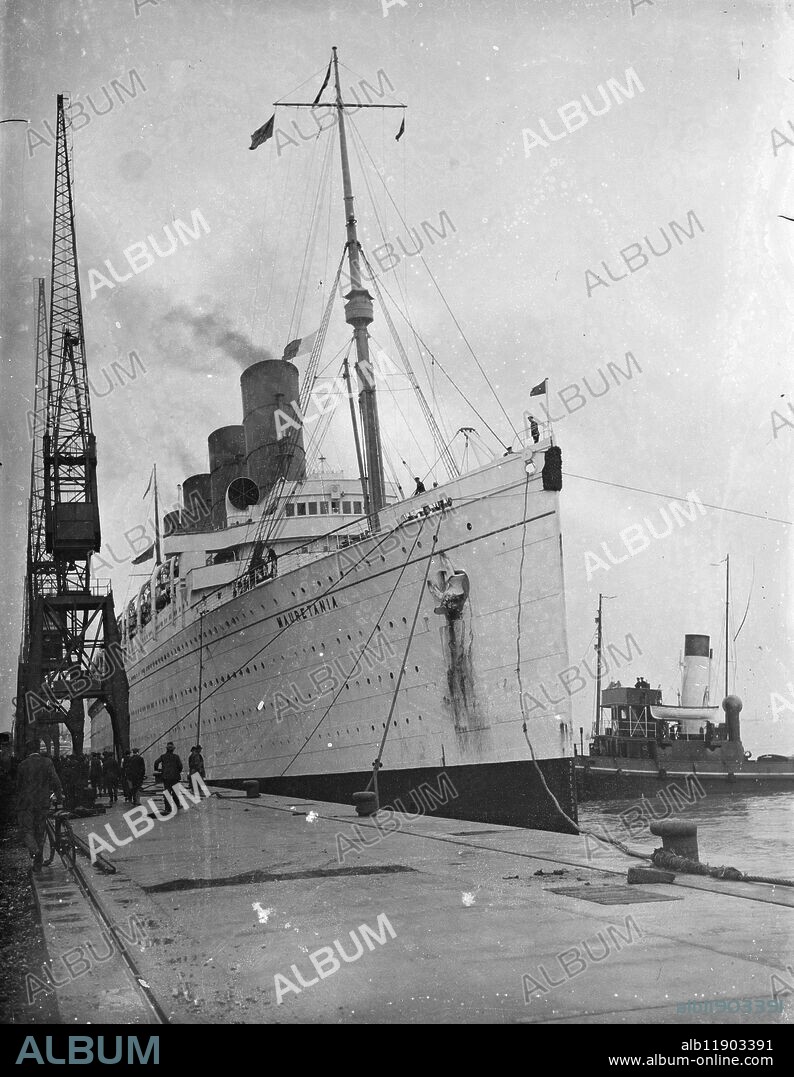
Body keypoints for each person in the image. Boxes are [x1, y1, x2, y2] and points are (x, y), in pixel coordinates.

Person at [16, 747, 63, 872]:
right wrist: (59, 796)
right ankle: (38, 863)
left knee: (27, 830)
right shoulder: (47, 762)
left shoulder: (22, 765)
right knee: (40, 832)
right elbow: (56, 780)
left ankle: (34, 850)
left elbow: (18, 786)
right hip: (42, 803)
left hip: (26, 804)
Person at [154, 742, 183, 809]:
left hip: (166, 777)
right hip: (175, 777)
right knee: (175, 792)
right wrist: (178, 771)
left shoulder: (163, 756)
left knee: (167, 792)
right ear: (173, 749)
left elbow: (156, 762)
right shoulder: (176, 757)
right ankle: (177, 805)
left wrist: (158, 769)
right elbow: (180, 766)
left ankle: (167, 808)